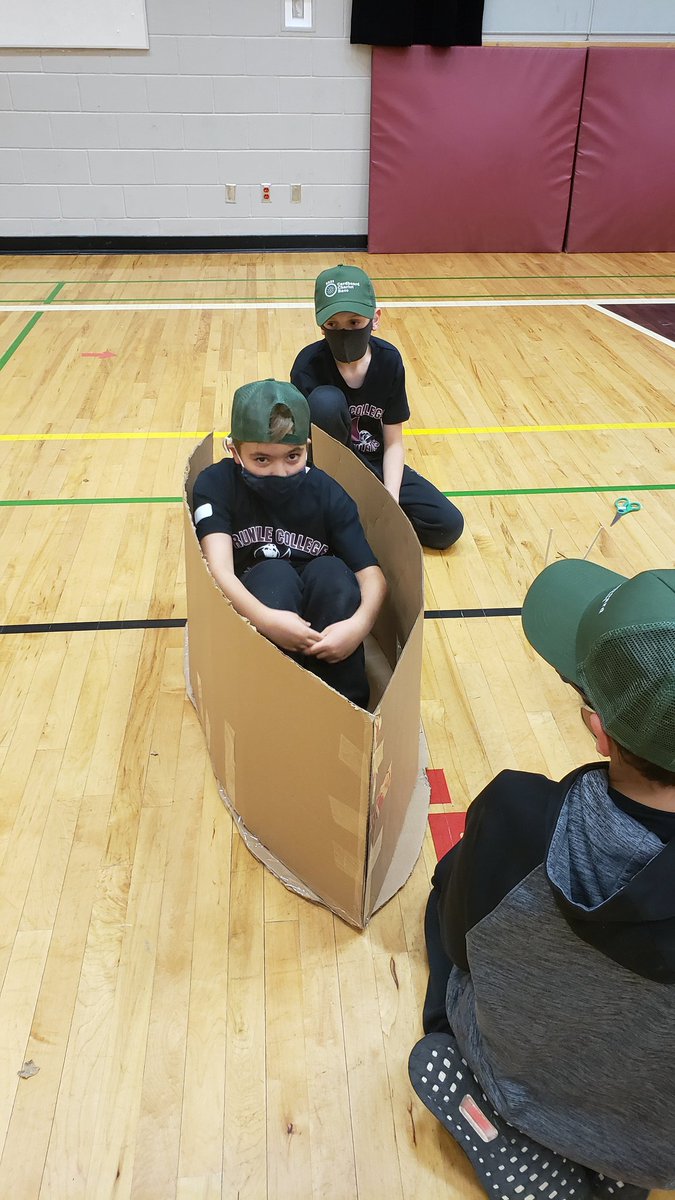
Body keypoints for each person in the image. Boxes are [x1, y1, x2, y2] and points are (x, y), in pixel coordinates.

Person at [410, 558, 675, 1200]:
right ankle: (619, 1164)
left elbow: (464, 944)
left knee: (451, 881)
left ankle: (503, 1115)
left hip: (523, 1079)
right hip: (659, 1143)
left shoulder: (518, 816)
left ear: (599, 729)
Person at [191, 378, 386, 709]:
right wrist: (266, 619)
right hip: (258, 602)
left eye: (293, 457)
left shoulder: (327, 493)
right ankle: (274, 704)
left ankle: (344, 709)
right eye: (262, 459)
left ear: (307, 448)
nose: (280, 472)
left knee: (333, 574)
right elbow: (219, 569)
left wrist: (358, 626)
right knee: (274, 575)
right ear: (234, 451)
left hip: (321, 614)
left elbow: (372, 576)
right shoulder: (216, 484)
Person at [290, 263, 464, 551]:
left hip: (375, 463)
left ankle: (360, 517)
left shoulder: (389, 361)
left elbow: (394, 442)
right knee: (325, 402)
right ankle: (342, 512)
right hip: (328, 470)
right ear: (321, 325)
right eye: (333, 325)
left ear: (375, 318)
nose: (344, 332)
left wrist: (390, 502)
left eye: (354, 323)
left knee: (447, 525)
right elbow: (301, 443)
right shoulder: (308, 366)